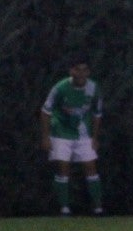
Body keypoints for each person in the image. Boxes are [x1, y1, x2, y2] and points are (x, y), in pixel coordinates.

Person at [40, 55, 105, 216]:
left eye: (85, 70)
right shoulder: (60, 88)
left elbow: (97, 114)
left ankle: (98, 208)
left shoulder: (93, 88)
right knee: (63, 168)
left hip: (83, 133)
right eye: (78, 70)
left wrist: (95, 137)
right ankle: (64, 209)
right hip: (61, 132)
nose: (81, 73)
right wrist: (46, 136)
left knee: (91, 166)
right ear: (71, 71)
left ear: (88, 72)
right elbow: (45, 111)